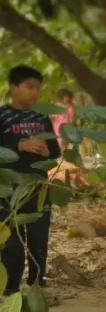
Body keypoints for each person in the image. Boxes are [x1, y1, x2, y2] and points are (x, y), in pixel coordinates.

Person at [0, 65, 61, 296]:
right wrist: (20, 145)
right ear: (13, 87)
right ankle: (11, 289)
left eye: (38, 88)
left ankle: (37, 284)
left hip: (38, 187)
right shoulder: (2, 116)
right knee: (11, 242)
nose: (35, 92)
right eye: (30, 87)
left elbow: (55, 151)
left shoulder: (42, 118)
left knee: (38, 238)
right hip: (8, 189)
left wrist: (47, 151)